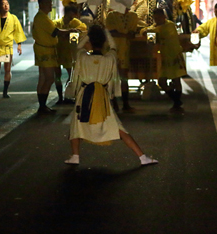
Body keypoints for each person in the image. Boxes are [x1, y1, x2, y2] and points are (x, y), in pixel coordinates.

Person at [63, 24, 158, 166]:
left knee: (76, 126)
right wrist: (105, 32)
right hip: (102, 95)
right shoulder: (110, 58)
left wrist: (90, 33)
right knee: (117, 126)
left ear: (90, 42)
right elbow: (114, 46)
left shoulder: (83, 57)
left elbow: (79, 47)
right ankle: (142, 157)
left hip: (85, 95)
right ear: (104, 43)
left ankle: (75, 155)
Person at [33, 0, 74, 113]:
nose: (51, 4)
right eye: (48, 2)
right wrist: (70, 31)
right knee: (49, 78)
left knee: (43, 78)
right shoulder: (42, 18)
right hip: (46, 50)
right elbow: (56, 32)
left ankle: (42, 105)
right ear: (41, 4)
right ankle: (42, 106)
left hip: (43, 49)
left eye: (51, 2)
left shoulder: (42, 17)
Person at [141, 8, 186, 112]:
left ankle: (177, 103)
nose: (157, 20)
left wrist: (147, 31)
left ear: (164, 16)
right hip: (165, 58)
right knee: (161, 81)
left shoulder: (169, 26)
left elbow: (155, 32)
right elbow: (148, 33)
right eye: (155, 18)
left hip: (174, 56)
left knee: (176, 80)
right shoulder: (156, 27)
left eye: (159, 17)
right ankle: (176, 100)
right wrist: (145, 30)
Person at [0, 0, 26, 98]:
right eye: (3, 4)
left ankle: (5, 91)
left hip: (7, 47)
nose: (6, 6)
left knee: (8, 69)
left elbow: (18, 31)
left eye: (7, 4)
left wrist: (19, 45)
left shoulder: (13, 18)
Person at [105, 7, 139, 112]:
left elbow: (132, 33)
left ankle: (125, 104)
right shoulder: (111, 15)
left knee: (124, 78)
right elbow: (111, 32)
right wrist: (125, 35)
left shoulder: (133, 16)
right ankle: (114, 103)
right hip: (113, 50)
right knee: (112, 77)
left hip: (125, 50)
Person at [53, 4, 87, 105]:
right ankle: (60, 97)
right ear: (68, 13)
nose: (74, 15)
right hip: (58, 51)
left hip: (68, 51)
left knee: (71, 74)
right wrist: (68, 32)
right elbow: (54, 32)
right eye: (73, 13)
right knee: (57, 75)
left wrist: (74, 31)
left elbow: (83, 28)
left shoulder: (75, 23)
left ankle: (68, 94)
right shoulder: (57, 23)